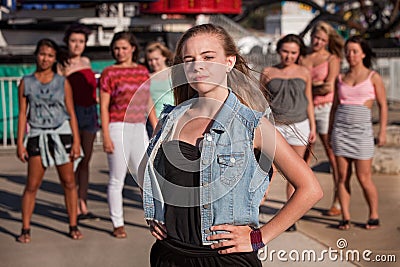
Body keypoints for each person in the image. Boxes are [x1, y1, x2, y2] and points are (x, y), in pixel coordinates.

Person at [139, 24, 323, 266]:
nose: (198, 66)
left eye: (208, 57)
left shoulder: (253, 125)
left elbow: (310, 189)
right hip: (170, 255)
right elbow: (153, 174)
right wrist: (156, 213)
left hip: (225, 259)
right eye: (189, 59)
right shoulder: (168, 119)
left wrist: (259, 238)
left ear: (229, 62)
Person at [16, 38, 83, 243]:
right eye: (42, 54)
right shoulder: (26, 82)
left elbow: (71, 112)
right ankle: (25, 228)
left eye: (50, 55)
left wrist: (77, 141)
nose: (45, 58)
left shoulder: (63, 82)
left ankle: (73, 225)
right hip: (37, 134)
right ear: (37, 54)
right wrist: (20, 143)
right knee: (32, 184)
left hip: (61, 133)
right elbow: (22, 114)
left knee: (69, 182)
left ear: (55, 59)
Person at [100, 31, 158, 238]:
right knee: (117, 179)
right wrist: (105, 135)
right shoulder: (109, 73)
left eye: (124, 47)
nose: (120, 52)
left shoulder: (142, 72)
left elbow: (148, 102)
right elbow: (104, 107)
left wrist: (156, 127)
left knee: (145, 177)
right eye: (116, 48)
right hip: (117, 127)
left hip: (139, 127)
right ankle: (117, 222)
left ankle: (154, 218)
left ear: (133, 48)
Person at [329, 35, 387, 230]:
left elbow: (383, 105)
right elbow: (335, 106)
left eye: (354, 51)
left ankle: (374, 214)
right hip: (341, 132)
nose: (350, 55)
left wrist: (383, 131)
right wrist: (330, 131)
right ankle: (345, 217)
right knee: (343, 177)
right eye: (348, 51)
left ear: (363, 53)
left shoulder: (373, 77)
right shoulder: (340, 78)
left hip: (362, 134)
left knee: (364, 178)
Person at [260, 34, 316, 231]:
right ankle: (254, 208)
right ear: (278, 51)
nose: (289, 56)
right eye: (285, 51)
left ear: (299, 53)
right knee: (267, 169)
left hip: (300, 125)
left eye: (293, 52)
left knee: (295, 172)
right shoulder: (268, 71)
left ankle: (290, 217)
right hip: (276, 125)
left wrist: (313, 126)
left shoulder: (304, 72)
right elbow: (262, 101)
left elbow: (308, 99)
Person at [300, 21, 344, 217]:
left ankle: (338, 198)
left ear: (328, 41)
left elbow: (328, 86)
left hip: (325, 108)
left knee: (331, 154)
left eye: (322, 40)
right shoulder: (303, 57)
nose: (317, 42)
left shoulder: (332, 58)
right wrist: (313, 85)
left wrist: (309, 86)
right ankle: (303, 199)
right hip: (304, 108)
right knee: (304, 156)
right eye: (316, 38)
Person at [58, 23, 99, 221]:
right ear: (67, 42)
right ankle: (72, 205)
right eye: (73, 41)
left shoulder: (86, 61)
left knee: (85, 162)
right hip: (70, 115)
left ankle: (83, 203)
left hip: (90, 113)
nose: (77, 45)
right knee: (72, 162)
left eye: (81, 41)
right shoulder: (61, 65)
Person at [145, 41, 175, 118]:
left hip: (170, 118)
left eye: (156, 59)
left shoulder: (174, 74)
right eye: (150, 60)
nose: (153, 63)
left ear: (164, 57)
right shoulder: (146, 77)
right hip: (150, 122)